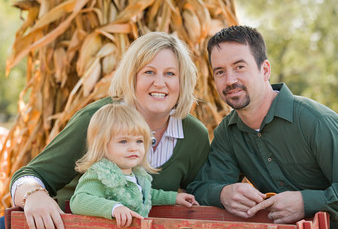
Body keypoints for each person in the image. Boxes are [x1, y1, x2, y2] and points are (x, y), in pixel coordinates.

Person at [9, 32, 210, 229]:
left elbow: (201, 192)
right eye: (149, 72)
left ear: (182, 81)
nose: (159, 82)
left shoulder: (194, 135)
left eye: (170, 74)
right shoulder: (96, 120)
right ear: (132, 77)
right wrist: (33, 195)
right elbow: (30, 175)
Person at [187, 25, 338, 227]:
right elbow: (202, 187)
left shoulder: (316, 122)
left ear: (265, 70)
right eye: (220, 72)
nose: (230, 80)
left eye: (239, 67)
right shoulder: (228, 133)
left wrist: (306, 202)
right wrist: (223, 194)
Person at [69, 104, 198, 228]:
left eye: (139, 141)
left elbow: (145, 194)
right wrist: (114, 208)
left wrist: (174, 197)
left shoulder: (136, 176)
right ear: (102, 145)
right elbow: (79, 200)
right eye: (123, 141)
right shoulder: (101, 174)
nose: (133, 148)